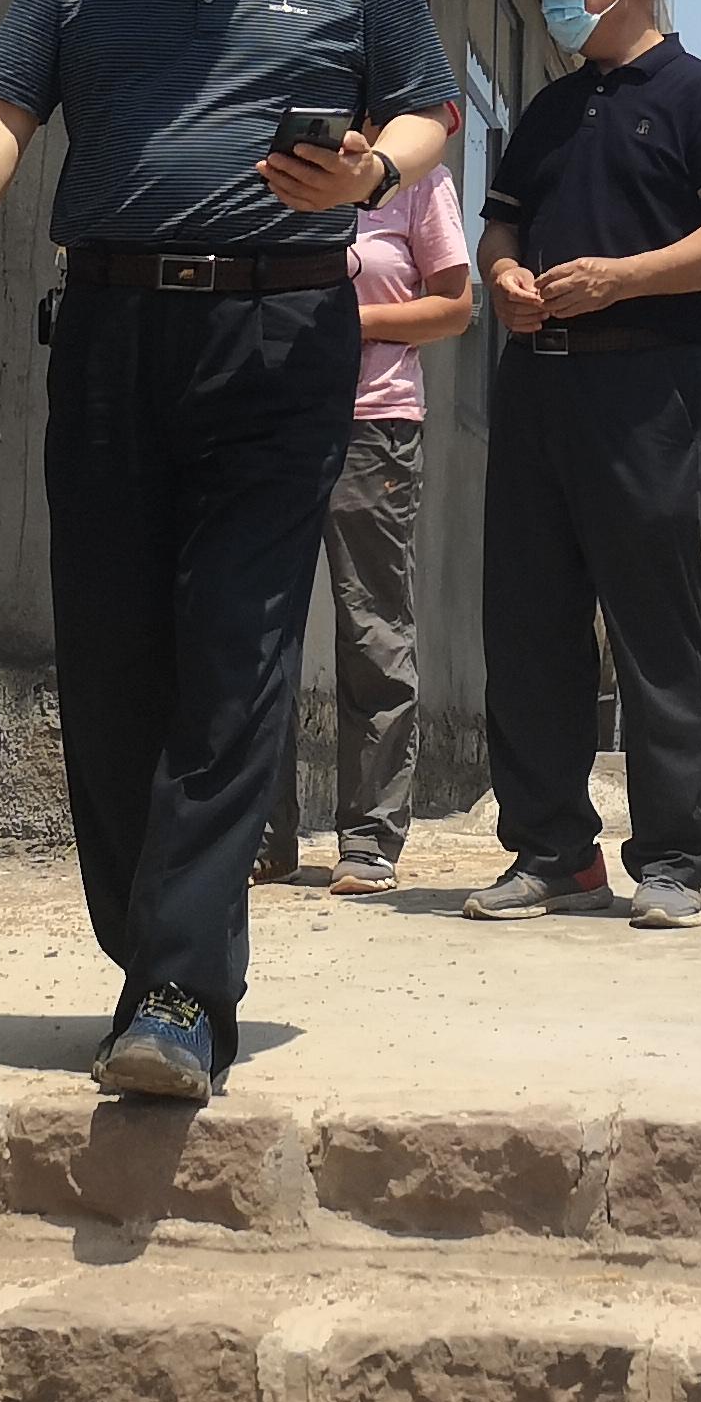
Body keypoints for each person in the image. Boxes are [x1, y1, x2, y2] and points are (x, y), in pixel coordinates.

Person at [0, 0, 457, 1104]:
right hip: (108, 331)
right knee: (109, 659)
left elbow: (428, 104)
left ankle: (176, 990)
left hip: (281, 335)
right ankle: (150, 950)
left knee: (237, 648)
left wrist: (371, 173)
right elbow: (4, 100)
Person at [464, 0, 701, 931]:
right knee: (528, 623)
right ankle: (552, 850)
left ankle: (674, 858)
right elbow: (500, 227)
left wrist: (621, 279)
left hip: (649, 389)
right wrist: (503, 277)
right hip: (535, 386)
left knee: (654, 626)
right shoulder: (549, 110)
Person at [256, 159, 473, 896]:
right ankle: (261, 837)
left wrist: (352, 323)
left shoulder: (418, 179)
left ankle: (370, 838)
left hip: (374, 425)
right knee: (255, 630)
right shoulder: (279, 163)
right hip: (270, 420)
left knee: (373, 632)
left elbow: (454, 307)